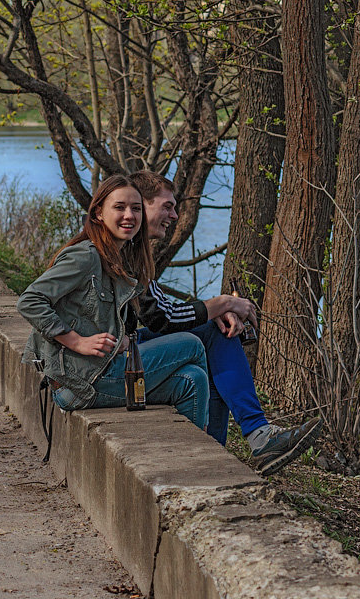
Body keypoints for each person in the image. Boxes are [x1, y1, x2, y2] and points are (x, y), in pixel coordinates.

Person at [128, 170, 322, 474]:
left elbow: (161, 311)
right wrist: (225, 303)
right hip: (116, 361)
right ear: (141, 205)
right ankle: (256, 437)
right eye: (167, 206)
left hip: (124, 350)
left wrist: (216, 311)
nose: (175, 215)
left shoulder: (137, 251)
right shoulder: (129, 251)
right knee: (214, 334)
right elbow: (162, 319)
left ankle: (225, 449)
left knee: (213, 343)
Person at [17, 175, 211, 428]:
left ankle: (193, 456)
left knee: (192, 380)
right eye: (119, 207)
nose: (129, 215)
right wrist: (77, 341)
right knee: (191, 344)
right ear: (98, 213)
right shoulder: (86, 256)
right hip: (81, 382)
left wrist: (120, 339)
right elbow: (30, 300)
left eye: (136, 208)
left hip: (97, 373)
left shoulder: (117, 257)